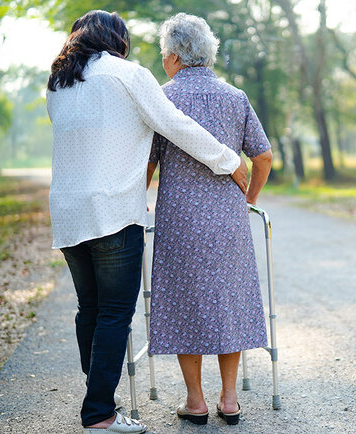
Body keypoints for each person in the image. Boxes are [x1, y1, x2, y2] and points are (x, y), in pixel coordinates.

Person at [46, 10, 248, 433]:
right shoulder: (128, 74)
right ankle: (99, 413)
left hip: (68, 211)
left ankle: (101, 397)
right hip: (114, 210)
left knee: (90, 309)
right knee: (116, 313)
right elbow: (175, 125)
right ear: (117, 40)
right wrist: (229, 160)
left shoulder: (59, 81)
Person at [146, 13, 273, 426]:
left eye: (165, 52)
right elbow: (263, 156)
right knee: (228, 302)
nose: (164, 59)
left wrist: (139, 199)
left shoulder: (161, 98)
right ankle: (231, 399)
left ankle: (196, 401)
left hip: (180, 220)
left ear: (176, 57)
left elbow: (147, 162)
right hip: (228, 221)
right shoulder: (235, 97)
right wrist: (249, 198)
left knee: (186, 302)